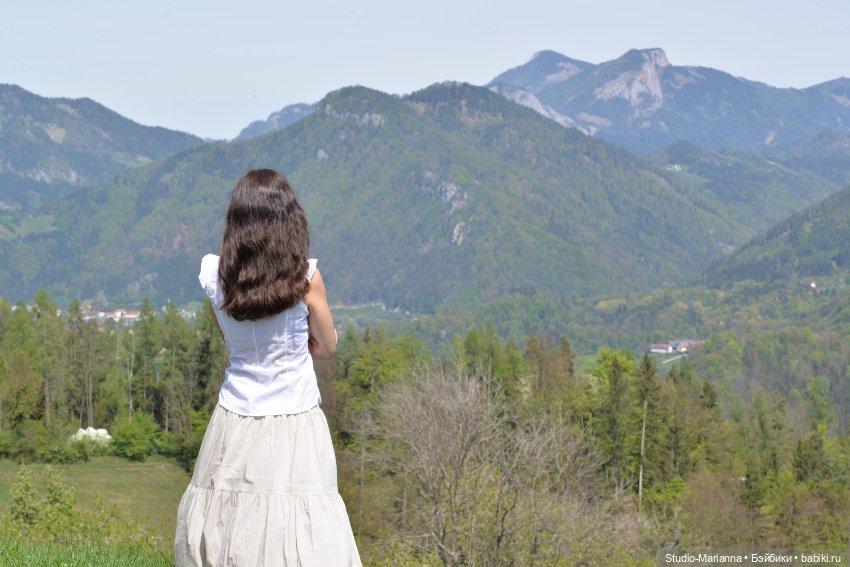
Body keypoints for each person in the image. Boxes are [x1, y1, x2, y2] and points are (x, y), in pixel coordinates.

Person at [174, 169, 362, 566]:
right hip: (294, 416)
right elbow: (327, 347)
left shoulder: (216, 275)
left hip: (235, 416)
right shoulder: (305, 278)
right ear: (289, 218)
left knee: (230, 518)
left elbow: (229, 338)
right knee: (298, 525)